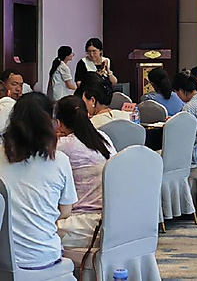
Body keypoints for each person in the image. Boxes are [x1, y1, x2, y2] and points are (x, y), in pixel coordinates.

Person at [0, 93, 77, 269]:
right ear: (51, 123)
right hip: (45, 257)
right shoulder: (59, 160)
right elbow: (65, 211)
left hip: (3, 263)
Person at [55, 95, 116, 248]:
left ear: (59, 123)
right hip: (113, 218)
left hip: (83, 224)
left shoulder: (62, 146)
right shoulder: (103, 138)